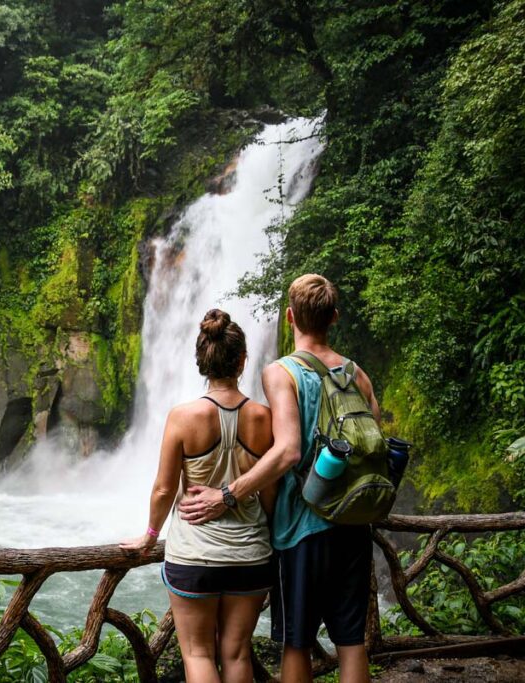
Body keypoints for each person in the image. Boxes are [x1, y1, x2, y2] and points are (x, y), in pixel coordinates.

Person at [178, 274, 378, 683]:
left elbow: (287, 450)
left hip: (302, 526)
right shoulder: (357, 374)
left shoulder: (282, 371)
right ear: (334, 317)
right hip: (353, 522)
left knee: (297, 642)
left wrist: (228, 494)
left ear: (289, 317)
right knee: (352, 642)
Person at [121, 308, 276, 683]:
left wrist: (150, 535)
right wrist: (269, 536)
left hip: (194, 556)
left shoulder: (183, 417)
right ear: (242, 361)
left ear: (200, 362)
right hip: (250, 555)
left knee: (197, 653)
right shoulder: (264, 417)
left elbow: (163, 488)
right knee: (237, 654)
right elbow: (269, 489)